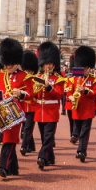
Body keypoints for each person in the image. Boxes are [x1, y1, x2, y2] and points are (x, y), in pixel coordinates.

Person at [0, 38, 32, 178]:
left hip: (15, 113)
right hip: (3, 111)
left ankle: (2, 167)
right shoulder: (0, 76)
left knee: (9, 140)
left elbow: (30, 94)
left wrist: (21, 93)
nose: (8, 65)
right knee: (8, 138)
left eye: (11, 63)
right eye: (7, 63)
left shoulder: (24, 76)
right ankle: (13, 167)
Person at [32, 41, 65, 170]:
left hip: (51, 110)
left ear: (54, 64)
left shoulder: (59, 79)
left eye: (50, 63)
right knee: (43, 136)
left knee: (48, 137)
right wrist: (36, 89)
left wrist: (49, 87)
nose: (47, 66)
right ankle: (50, 157)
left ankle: (41, 157)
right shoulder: (38, 77)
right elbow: (35, 96)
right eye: (46, 63)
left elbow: (59, 95)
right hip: (40, 110)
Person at [66, 46, 96, 162]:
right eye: (82, 67)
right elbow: (69, 91)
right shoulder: (73, 79)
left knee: (84, 132)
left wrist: (85, 91)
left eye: (85, 68)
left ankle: (81, 151)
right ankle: (81, 149)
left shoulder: (94, 80)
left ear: (89, 68)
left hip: (88, 110)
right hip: (77, 108)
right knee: (79, 131)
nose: (84, 70)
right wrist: (70, 97)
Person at [19, 49, 40, 155]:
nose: (27, 72)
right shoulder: (22, 78)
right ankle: (31, 146)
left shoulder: (37, 80)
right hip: (23, 106)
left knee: (28, 128)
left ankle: (24, 146)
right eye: (26, 70)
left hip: (32, 106)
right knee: (25, 127)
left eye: (29, 71)